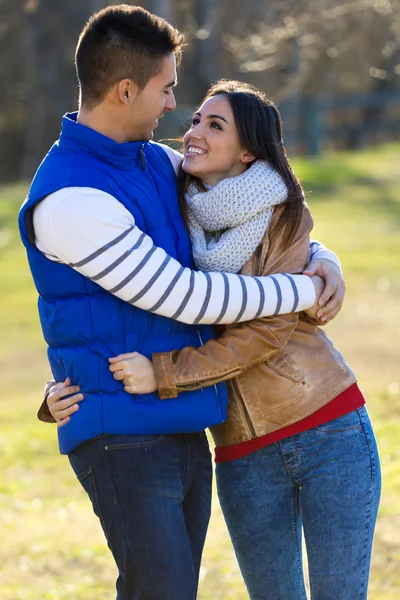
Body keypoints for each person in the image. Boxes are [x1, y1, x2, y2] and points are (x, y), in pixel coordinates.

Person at [22, 5, 344, 600]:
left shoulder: (155, 162)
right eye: (166, 89)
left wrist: (322, 256)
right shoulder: (70, 198)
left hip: (183, 419)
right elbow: (188, 297)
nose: (174, 105)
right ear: (125, 90)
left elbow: (250, 208)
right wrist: (302, 290)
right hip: (120, 430)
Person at [69, 80, 379, 600]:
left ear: (248, 150)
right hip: (242, 452)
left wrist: (164, 372)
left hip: (330, 428)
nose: (193, 132)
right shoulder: (170, 211)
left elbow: (268, 332)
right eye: (194, 121)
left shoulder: (283, 213)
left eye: (215, 126)